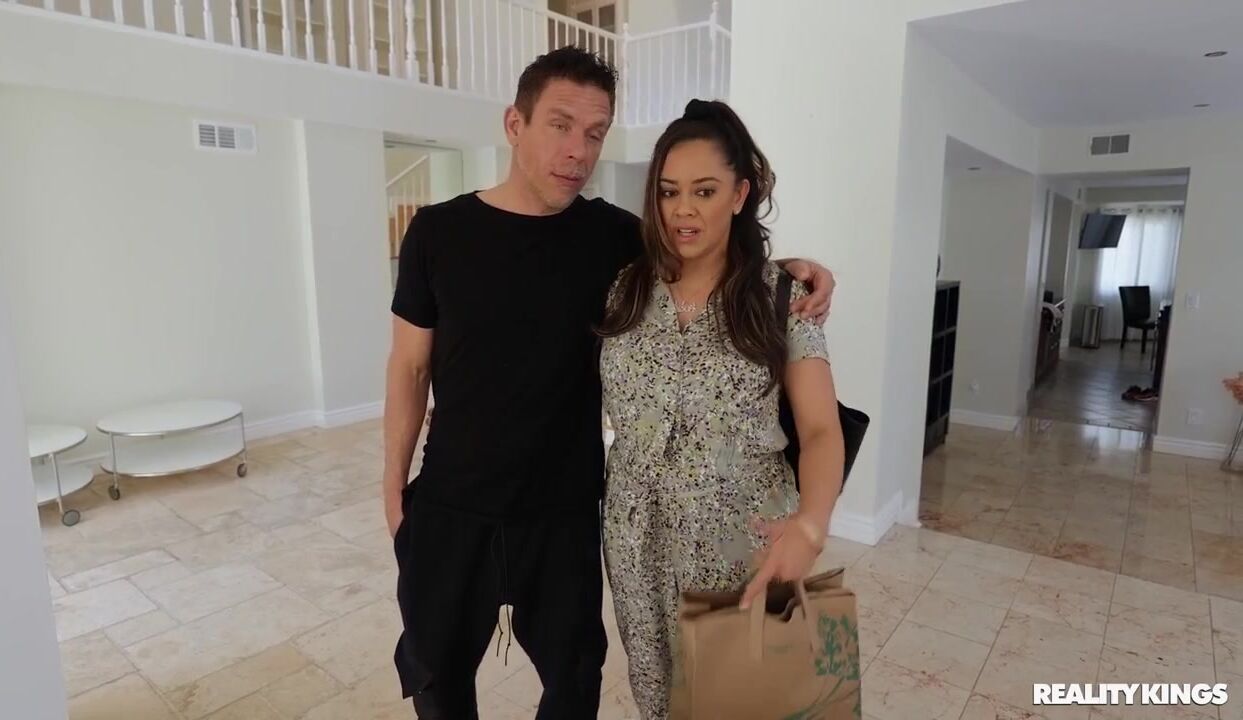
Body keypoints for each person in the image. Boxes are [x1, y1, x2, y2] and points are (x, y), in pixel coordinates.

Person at [384, 47, 835, 719]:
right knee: (438, 681)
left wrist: (790, 271)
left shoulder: (614, 242)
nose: (578, 150)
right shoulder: (439, 232)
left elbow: (706, 251)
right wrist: (392, 488)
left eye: (595, 133)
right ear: (514, 123)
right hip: (463, 507)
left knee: (580, 685)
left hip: (570, 515)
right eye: (560, 125)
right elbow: (409, 366)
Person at [596, 99, 847, 719]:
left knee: (750, 701)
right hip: (637, 545)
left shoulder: (781, 298)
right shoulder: (626, 288)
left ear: (739, 195)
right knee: (660, 698)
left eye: (704, 191)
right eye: (669, 192)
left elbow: (821, 430)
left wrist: (811, 528)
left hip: (743, 546)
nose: (683, 210)